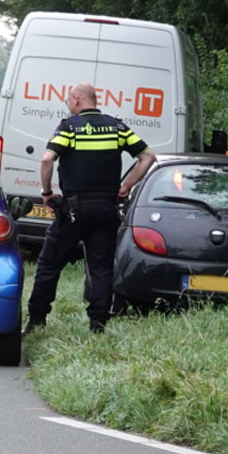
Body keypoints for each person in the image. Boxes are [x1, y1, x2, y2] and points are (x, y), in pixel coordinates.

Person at [26, 83, 156, 333]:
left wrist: (46, 193)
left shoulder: (69, 127)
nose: (68, 106)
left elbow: (46, 159)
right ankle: (98, 324)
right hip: (107, 209)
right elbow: (148, 156)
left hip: (74, 211)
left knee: (49, 264)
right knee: (101, 268)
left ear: (76, 100)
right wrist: (127, 185)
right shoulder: (117, 127)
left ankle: (37, 319)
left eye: (68, 102)